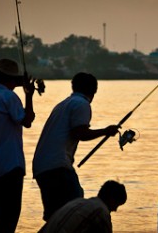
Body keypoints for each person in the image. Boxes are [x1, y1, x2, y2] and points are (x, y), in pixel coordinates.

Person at [33, 72, 120, 222]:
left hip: (43, 166)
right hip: (57, 166)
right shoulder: (82, 104)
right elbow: (80, 133)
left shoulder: (64, 104)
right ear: (94, 91)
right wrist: (106, 131)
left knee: (55, 216)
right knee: (75, 212)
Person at [0, 58, 35, 232]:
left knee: (0, 219)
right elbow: (26, 120)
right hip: (10, 164)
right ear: (11, 79)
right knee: (10, 218)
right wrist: (29, 96)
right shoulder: (8, 96)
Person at [42, 180, 127, 233]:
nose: (115, 210)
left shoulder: (78, 202)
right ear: (111, 199)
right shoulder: (101, 211)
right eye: (117, 204)